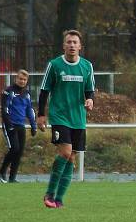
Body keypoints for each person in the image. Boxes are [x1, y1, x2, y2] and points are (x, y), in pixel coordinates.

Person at [37, 30, 95, 209]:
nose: (71, 45)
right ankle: (50, 193)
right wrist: (41, 115)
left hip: (78, 118)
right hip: (59, 116)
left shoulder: (87, 66)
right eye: (68, 42)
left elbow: (89, 90)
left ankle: (59, 199)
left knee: (71, 158)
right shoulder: (54, 65)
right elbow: (44, 91)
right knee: (65, 152)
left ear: (80, 46)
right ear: (64, 46)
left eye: (74, 42)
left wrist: (90, 100)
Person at [0, 69, 37, 183]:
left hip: (21, 125)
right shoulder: (8, 91)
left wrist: (33, 125)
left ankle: (12, 178)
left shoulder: (27, 94)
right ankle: (2, 171)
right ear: (16, 79)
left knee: (19, 151)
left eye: (24, 79)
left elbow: (29, 110)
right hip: (10, 124)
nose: (22, 81)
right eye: (20, 79)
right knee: (14, 148)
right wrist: (8, 124)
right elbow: (4, 109)